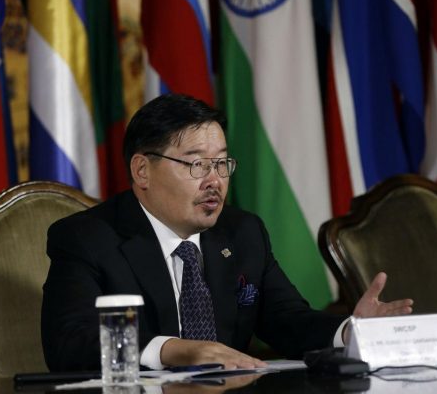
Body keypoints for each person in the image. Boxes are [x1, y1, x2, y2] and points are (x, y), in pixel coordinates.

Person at [41, 94, 413, 372]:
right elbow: (69, 343)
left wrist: (350, 331)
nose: (215, 180)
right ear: (142, 171)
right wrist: (174, 350)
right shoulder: (87, 238)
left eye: (221, 163)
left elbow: (287, 320)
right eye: (197, 164)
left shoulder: (242, 232)